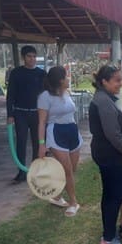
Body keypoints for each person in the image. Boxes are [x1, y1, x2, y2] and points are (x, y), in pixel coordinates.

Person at [89, 65, 122, 244]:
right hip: (110, 155)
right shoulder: (103, 101)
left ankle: (108, 234)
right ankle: (108, 240)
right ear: (104, 82)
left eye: (120, 79)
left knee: (111, 195)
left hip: (108, 154)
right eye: (117, 80)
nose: (120, 83)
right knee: (114, 196)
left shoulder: (104, 98)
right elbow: (113, 135)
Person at [36, 66, 82, 216]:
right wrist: (42, 144)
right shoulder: (44, 97)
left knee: (71, 169)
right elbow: (42, 122)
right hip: (56, 132)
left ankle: (56, 196)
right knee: (67, 170)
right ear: (60, 80)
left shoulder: (66, 92)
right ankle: (73, 202)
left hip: (72, 131)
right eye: (66, 76)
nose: (69, 78)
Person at [6, 46, 46, 183]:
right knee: (21, 142)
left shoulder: (41, 74)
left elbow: (46, 95)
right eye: (29, 56)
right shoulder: (16, 73)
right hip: (20, 113)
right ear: (23, 57)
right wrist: (10, 114)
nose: (32, 59)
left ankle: (35, 171)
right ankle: (22, 171)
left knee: (37, 143)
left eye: (34, 56)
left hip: (37, 113)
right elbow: (10, 95)